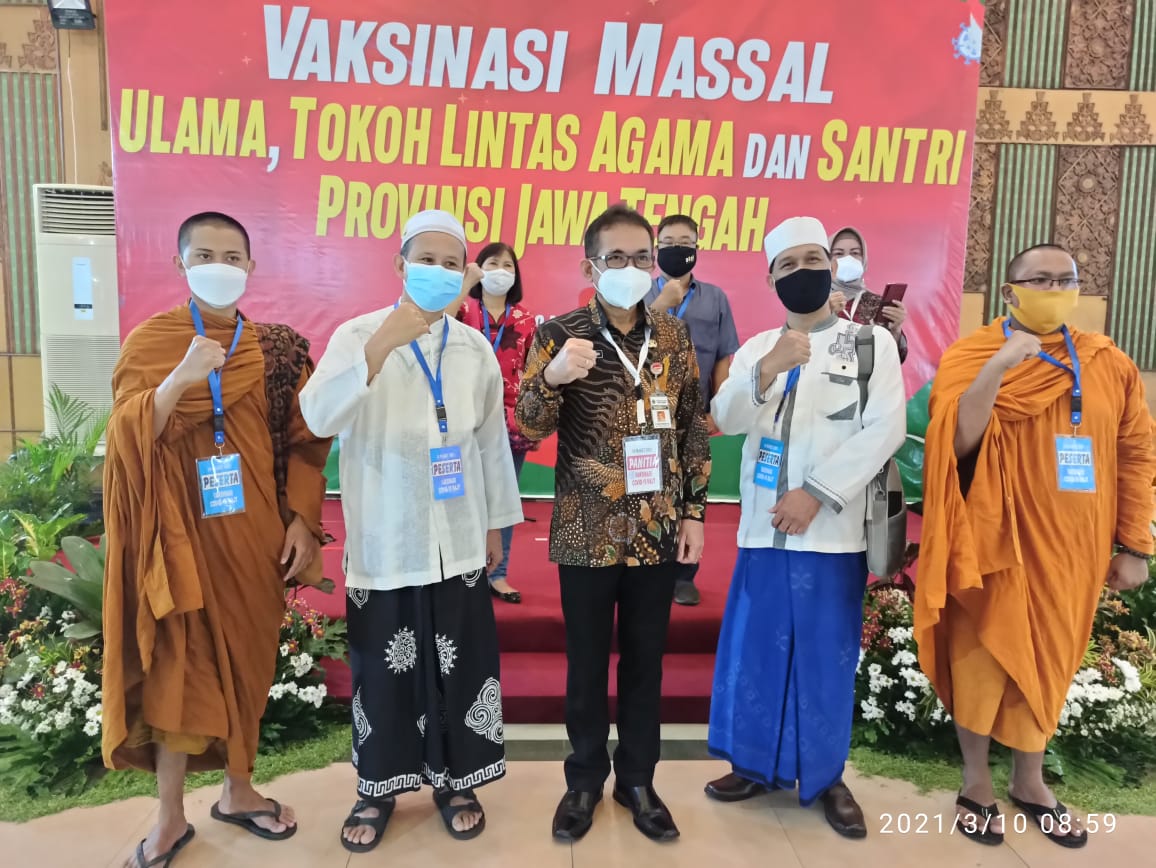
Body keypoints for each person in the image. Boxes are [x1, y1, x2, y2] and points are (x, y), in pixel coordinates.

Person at [101, 212, 331, 867]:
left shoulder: (278, 351)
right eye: (204, 255)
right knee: (178, 673)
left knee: (248, 666)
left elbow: (308, 440)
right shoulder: (154, 341)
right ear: (180, 264)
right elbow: (126, 438)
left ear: (251, 267)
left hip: (255, 538)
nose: (219, 267)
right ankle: (169, 817)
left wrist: (301, 519)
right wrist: (179, 380)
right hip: (178, 540)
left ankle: (238, 790)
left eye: (232, 257)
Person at [914, 243, 1155, 849]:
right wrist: (999, 366)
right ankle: (975, 782)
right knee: (981, 657)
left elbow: (1135, 455)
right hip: (989, 542)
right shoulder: (972, 353)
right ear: (1009, 291)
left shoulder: (1107, 361)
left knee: (1047, 660)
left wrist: (1135, 545)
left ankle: (1030, 781)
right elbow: (956, 443)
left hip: (1073, 547)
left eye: (1065, 279)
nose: (1054, 289)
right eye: (1039, 279)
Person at [299, 210, 523, 854]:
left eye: (452, 264)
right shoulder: (356, 335)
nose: (439, 272)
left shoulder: (473, 348)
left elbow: (489, 445)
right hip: (386, 538)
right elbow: (317, 417)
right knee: (384, 671)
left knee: (461, 667)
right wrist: (380, 348)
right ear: (400, 265)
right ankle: (377, 789)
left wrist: (495, 526)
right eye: (426, 260)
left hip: (459, 536)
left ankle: (456, 783)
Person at [704, 216, 906, 839]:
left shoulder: (870, 343)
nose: (803, 272)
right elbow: (725, 418)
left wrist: (816, 493)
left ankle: (826, 777)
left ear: (832, 267)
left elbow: (886, 429)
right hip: (764, 532)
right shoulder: (756, 347)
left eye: (813, 259)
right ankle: (754, 765)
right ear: (771, 280)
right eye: (787, 265)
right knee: (758, 652)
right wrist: (767, 370)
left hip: (831, 535)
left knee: (825, 658)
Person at [517, 204, 711, 844]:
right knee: (586, 663)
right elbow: (530, 424)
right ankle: (582, 780)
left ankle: (637, 780)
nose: (631, 268)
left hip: (656, 528)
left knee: (646, 663)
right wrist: (551, 377)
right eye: (616, 258)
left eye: (641, 258)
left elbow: (690, 429)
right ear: (590, 267)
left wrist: (694, 513)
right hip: (586, 529)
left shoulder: (672, 336)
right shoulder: (560, 334)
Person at [646, 215, 740, 606]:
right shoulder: (639, 294)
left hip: (694, 415)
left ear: (697, 248)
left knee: (690, 491)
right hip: (644, 414)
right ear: (656, 250)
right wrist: (659, 307)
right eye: (668, 242)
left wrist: (717, 409)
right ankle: (648, 569)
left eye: (685, 242)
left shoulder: (715, 298)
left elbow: (723, 357)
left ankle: (684, 574)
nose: (676, 249)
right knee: (647, 489)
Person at [456, 242, 539, 604]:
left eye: (508, 265)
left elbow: (534, 373)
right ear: (478, 269)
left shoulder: (525, 320)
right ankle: (461, 570)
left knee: (503, 497)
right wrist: (464, 283)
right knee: (460, 495)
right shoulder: (462, 309)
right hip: (462, 415)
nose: (501, 270)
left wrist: (532, 420)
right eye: (493, 263)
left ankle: (497, 574)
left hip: (510, 421)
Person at [827, 227, 908, 362]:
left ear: (863, 259)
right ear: (827, 260)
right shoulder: (816, 302)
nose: (848, 258)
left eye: (855, 253)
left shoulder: (877, 303)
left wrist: (895, 330)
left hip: (869, 375)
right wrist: (824, 316)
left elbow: (896, 360)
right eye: (839, 253)